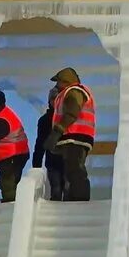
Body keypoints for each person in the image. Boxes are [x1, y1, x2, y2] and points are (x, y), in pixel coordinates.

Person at [47, 66, 96, 201]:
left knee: (75, 169)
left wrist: (57, 132)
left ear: (65, 81)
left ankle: (80, 198)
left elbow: (71, 113)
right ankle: (74, 197)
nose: (57, 85)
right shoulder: (71, 92)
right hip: (75, 137)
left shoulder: (74, 92)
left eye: (59, 82)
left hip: (76, 137)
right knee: (71, 169)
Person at [32, 91, 66, 201]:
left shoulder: (68, 118)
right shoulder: (44, 120)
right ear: (49, 101)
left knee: (69, 190)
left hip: (68, 159)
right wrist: (36, 165)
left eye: (58, 99)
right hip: (53, 161)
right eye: (53, 99)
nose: (55, 102)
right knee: (56, 190)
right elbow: (40, 142)